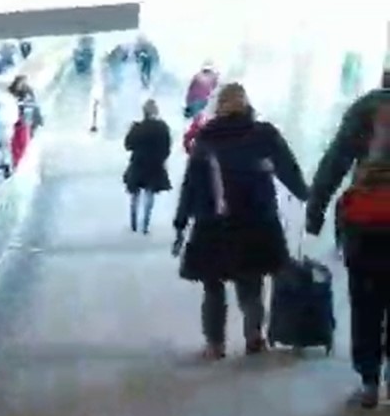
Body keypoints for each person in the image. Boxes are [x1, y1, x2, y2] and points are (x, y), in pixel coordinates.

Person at [172, 83, 309, 360]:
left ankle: (215, 344)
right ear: (246, 104)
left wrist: (181, 222)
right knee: (251, 280)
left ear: (218, 107)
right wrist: (307, 196)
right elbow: (287, 168)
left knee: (213, 285)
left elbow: (192, 185)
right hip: (257, 219)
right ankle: (253, 336)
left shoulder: (206, 138)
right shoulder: (263, 134)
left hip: (213, 222)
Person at [306, 85, 390, 405]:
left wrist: (315, 211)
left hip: (367, 224)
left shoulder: (368, 106)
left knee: (366, 301)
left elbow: (335, 162)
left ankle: (369, 381)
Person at [123, 99, 174, 233]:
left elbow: (128, 145)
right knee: (150, 193)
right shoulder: (162, 128)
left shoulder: (137, 127)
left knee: (135, 194)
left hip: (138, 163)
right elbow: (167, 147)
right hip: (155, 164)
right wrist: (163, 159)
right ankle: (145, 224)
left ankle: (133, 222)